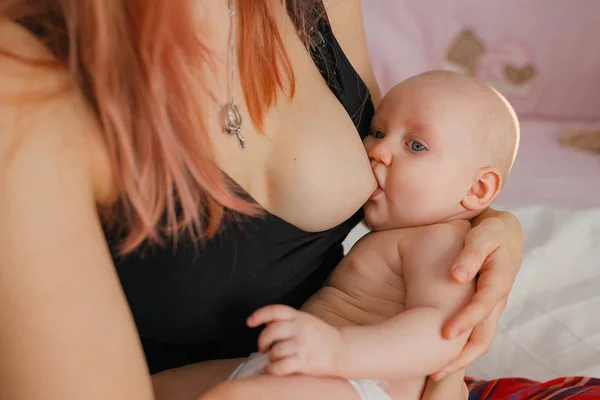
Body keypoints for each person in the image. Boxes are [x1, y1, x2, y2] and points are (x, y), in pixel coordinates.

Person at [0, 1, 524, 399]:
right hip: (267, 362)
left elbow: (441, 321)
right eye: (382, 136)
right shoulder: (27, 81)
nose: (380, 150)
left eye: (407, 144)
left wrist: (488, 226)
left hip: (340, 376)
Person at [201, 71, 519, 400]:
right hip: (298, 369)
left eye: (416, 145)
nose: (378, 150)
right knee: (156, 386)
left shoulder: (445, 242)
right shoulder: (407, 235)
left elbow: (442, 334)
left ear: (477, 189)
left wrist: (337, 350)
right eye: (378, 132)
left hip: (361, 383)